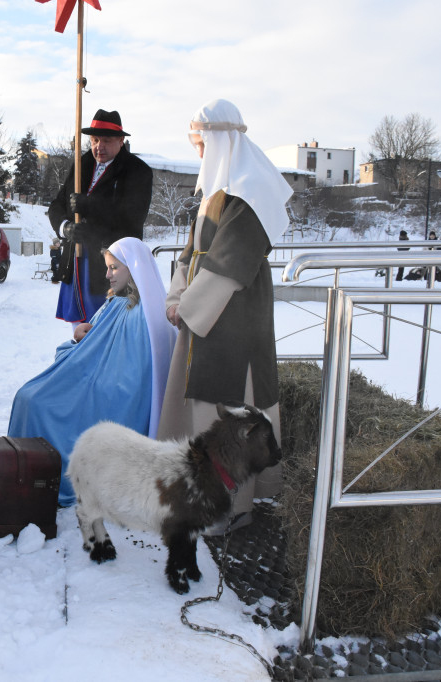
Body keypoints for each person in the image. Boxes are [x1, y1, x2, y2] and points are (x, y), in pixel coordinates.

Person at [157, 99, 291, 532]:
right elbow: (191, 252)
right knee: (201, 404)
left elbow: (228, 264)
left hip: (233, 320)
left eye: (201, 145)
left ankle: (232, 509)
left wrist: (187, 307)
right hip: (202, 315)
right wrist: (177, 296)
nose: (199, 154)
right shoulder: (215, 191)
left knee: (236, 412)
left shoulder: (249, 194)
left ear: (221, 140)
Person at [8, 237, 176, 506]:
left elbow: (132, 380)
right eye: (107, 267)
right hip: (89, 377)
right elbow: (92, 348)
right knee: (28, 396)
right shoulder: (116, 303)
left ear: (133, 268)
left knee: (38, 403)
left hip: (107, 394)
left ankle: (40, 477)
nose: (107, 274)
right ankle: (25, 473)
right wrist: (77, 339)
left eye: (114, 268)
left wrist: (88, 368)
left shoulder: (143, 314)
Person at [47, 109, 153, 325]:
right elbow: (57, 205)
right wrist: (65, 227)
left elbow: (133, 218)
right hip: (75, 261)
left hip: (110, 265)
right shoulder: (81, 164)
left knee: (107, 326)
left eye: (106, 140)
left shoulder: (137, 171)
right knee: (79, 329)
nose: (99, 146)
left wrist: (91, 205)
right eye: (95, 140)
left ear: (121, 141)